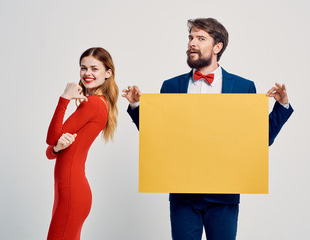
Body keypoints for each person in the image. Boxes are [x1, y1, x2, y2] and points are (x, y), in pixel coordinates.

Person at [123, 18, 294, 240]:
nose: (192, 43)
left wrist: (281, 106)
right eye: (191, 37)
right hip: (182, 193)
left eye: (200, 38)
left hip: (224, 194)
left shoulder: (244, 87)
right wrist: (136, 106)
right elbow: (157, 137)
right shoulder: (171, 86)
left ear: (217, 47)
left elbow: (261, 140)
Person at [45, 47, 119, 239]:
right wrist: (55, 149)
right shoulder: (93, 102)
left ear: (108, 73)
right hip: (67, 190)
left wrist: (65, 97)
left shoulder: (94, 104)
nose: (87, 73)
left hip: (72, 191)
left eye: (94, 69)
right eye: (83, 68)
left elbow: (51, 137)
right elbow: (52, 148)